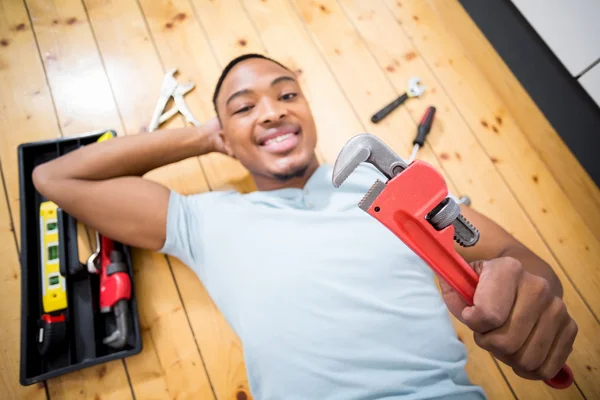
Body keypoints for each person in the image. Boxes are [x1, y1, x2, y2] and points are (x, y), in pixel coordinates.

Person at [32, 53, 577, 400]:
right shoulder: (204, 219)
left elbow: (533, 274)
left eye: (287, 94)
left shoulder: (405, 202)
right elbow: (56, 177)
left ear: (309, 111)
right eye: (244, 108)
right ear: (224, 132)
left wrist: (531, 312)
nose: (271, 112)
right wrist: (201, 135)